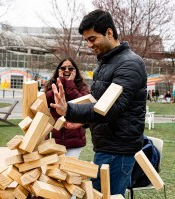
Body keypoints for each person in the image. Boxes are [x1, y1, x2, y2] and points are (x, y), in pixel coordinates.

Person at [50, 9, 147, 196]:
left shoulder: (130, 64)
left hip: (119, 151)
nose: (88, 45)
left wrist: (68, 110)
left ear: (109, 33)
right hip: (105, 146)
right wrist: (82, 121)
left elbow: (111, 109)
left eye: (92, 39)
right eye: (86, 40)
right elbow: (98, 103)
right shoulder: (104, 64)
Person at [44, 58, 90, 158]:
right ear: (58, 70)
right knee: (54, 171)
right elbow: (46, 101)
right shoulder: (51, 84)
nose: (67, 70)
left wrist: (70, 85)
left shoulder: (82, 87)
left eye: (70, 68)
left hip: (74, 139)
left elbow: (83, 105)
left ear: (75, 70)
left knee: (69, 170)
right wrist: (60, 83)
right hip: (54, 139)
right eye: (63, 68)